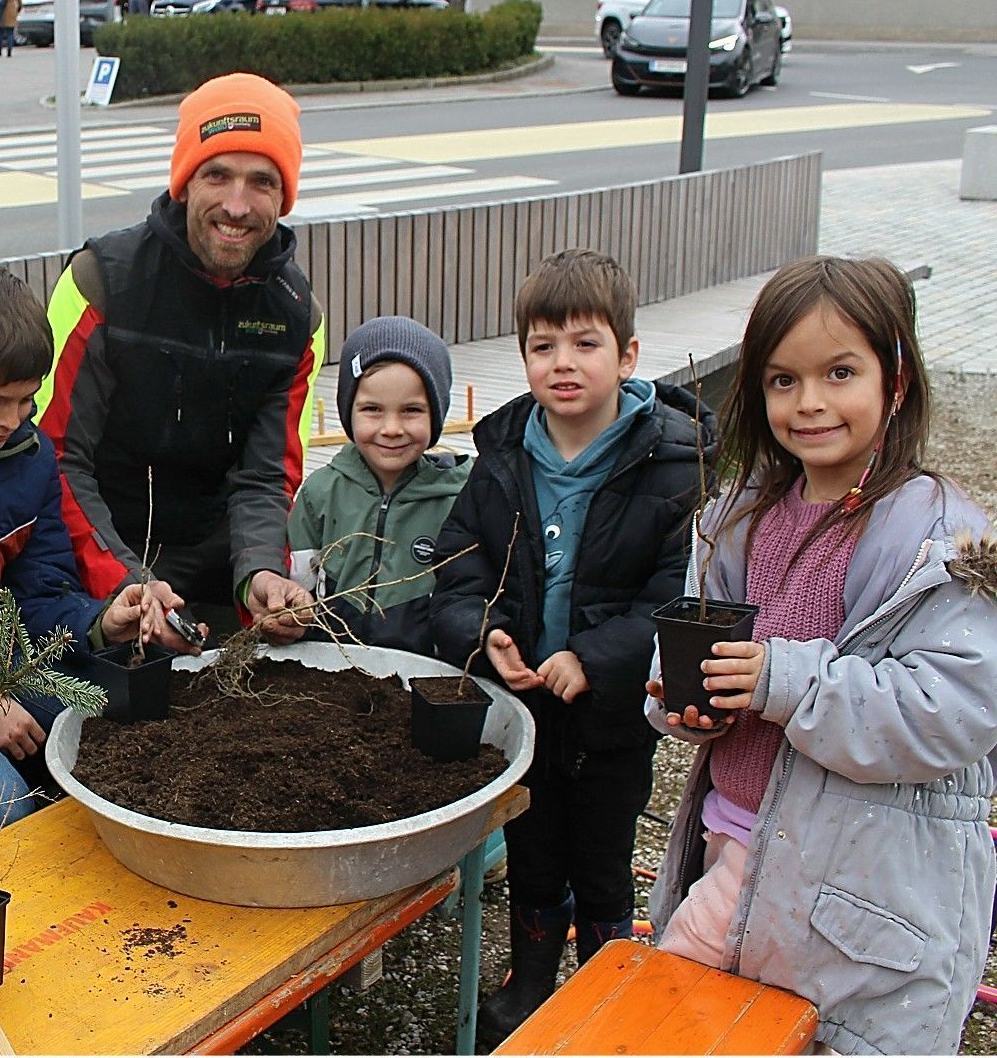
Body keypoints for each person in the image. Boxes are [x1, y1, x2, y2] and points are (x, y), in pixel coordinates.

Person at [646, 256, 997, 1055]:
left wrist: (779, 678)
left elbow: (952, 713)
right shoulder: (739, 517)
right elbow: (698, 673)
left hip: (857, 890)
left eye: (840, 373)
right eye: (782, 380)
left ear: (896, 380)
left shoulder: (936, 538)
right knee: (689, 1022)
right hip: (731, 843)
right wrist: (685, 704)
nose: (809, 403)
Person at [429, 248, 709, 1047]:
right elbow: (458, 572)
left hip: (612, 717)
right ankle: (530, 976)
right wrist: (488, 638)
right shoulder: (504, 459)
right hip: (523, 706)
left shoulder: (672, 466)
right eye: (542, 346)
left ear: (626, 355)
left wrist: (596, 658)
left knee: (603, 849)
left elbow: (676, 598)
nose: (562, 363)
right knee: (532, 840)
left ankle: (608, 969)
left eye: (585, 344)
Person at [0, 259, 198, 821]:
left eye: (27, 401)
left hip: (9, 673)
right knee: (3, 807)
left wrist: (100, 620)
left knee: (130, 743)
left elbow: (41, 591)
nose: (11, 422)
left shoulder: (32, 463)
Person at [36, 72, 326, 643]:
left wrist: (261, 572)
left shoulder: (299, 317)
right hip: (96, 550)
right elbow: (55, 460)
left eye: (262, 182)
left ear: (284, 196)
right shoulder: (98, 283)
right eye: (217, 174)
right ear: (185, 181)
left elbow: (268, 477)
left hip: (221, 562)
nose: (236, 205)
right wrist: (129, 582)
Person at [287, 316, 471, 650]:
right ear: (349, 412)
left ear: (436, 413)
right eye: (372, 409)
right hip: (334, 672)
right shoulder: (319, 494)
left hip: (426, 674)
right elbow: (300, 588)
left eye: (411, 410)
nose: (391, 428)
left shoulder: (460, 499)